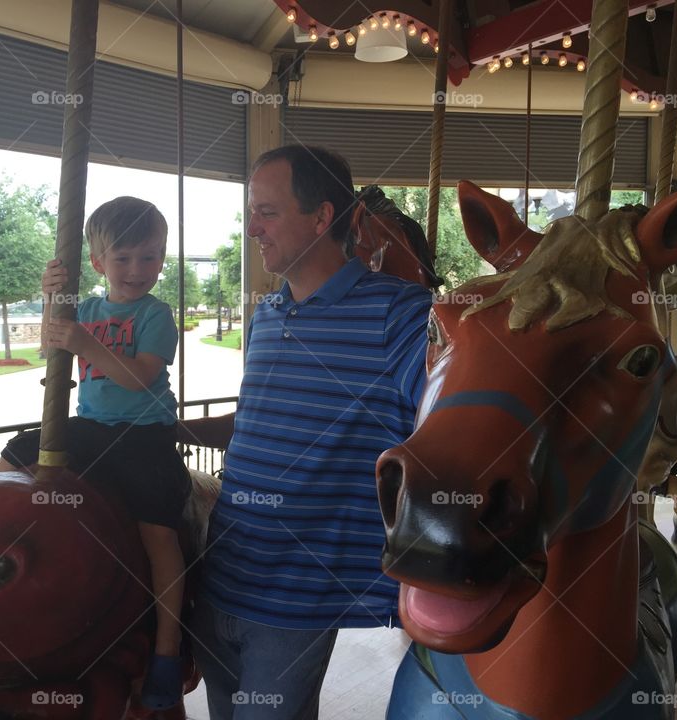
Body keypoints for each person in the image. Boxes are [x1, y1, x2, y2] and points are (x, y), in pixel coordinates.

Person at [178, 145, 432, 719]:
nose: (251, 229)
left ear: (321, 217)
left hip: (297, 592)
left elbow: (448, 426)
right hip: (225, 569)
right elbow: (260, 421)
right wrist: (164, 427)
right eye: (251, 213)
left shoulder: (401, 315)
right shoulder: (266, 316)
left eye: (266, 212)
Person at [0, 196, 191, 710]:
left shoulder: (156, 314)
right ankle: (1, 561)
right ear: (99, 262)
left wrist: (85, 342)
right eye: (122, 259)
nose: (136, 270)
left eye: (149, 257)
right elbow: (51, 345)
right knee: (16, 455)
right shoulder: (86, 310)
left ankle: (168, 649)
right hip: (92, 428)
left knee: (159, 535)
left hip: (144, 434)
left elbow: (138, 378)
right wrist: (51, 300)